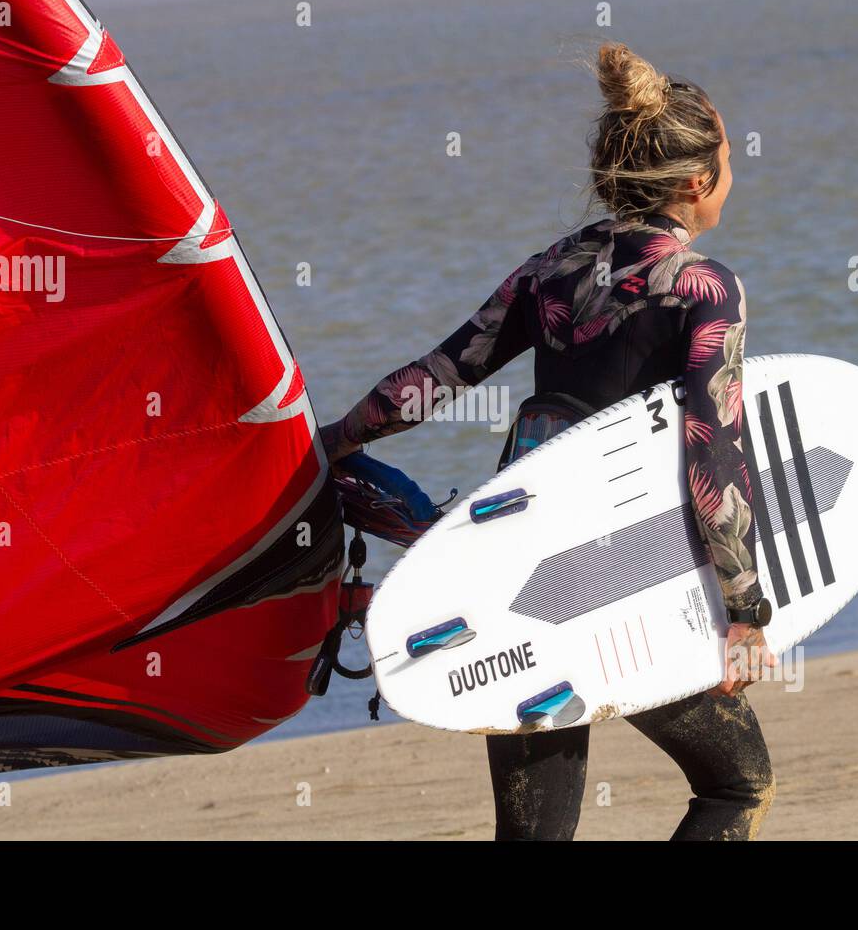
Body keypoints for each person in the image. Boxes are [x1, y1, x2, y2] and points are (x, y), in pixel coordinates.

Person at [319, 42, 776, 840]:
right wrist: (745, 609)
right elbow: (712, 450)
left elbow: (432, 378)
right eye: (730, 160)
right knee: (738, 785)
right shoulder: (705, 288)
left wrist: (328, 442)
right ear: (697, 182)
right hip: (619, 588)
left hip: (513, 583)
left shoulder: (546, 274)